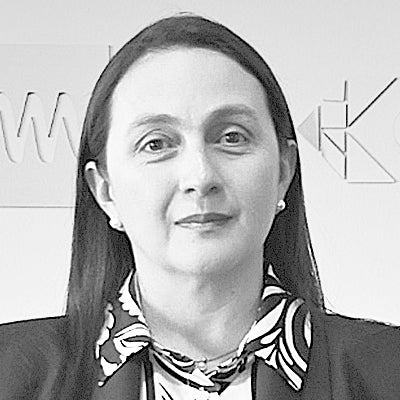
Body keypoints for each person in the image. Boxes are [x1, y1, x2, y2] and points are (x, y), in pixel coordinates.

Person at [0, 13, 399, 400]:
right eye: (156, 143)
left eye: (232, 137)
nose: (200, 176)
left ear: (283, 170)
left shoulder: (389, 371)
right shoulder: (9, 373)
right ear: (104, 190)